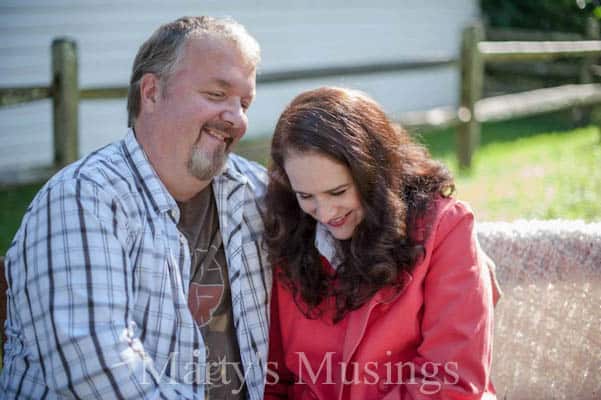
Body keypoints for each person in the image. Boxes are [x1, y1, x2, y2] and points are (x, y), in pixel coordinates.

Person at [1, 16, 271, 400]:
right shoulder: (83, 199)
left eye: (244, 103)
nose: (237, 118)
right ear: (152, 92)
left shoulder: (254, 193)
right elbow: (99, 377)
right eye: (216, 94)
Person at [263, 87, 498, 399]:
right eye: (306, 196)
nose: (325, 212)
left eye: (338, 192)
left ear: (374, 173)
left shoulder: (445, 227)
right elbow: (274, 380)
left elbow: (452, 380)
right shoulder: (290, 232)